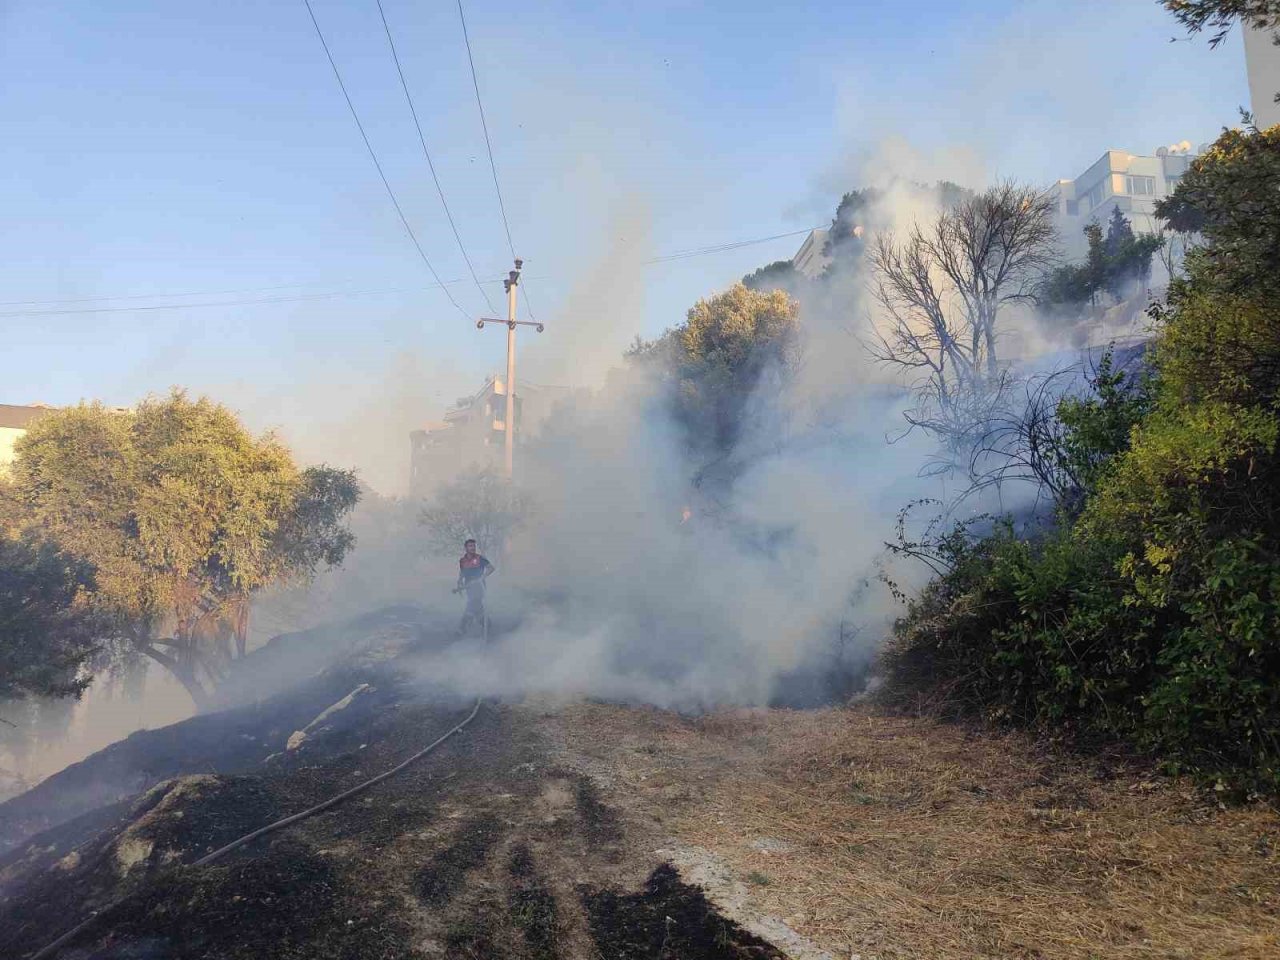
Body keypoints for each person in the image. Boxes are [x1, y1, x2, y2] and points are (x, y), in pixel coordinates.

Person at [455, 539, 495, 636]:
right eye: (470, 546)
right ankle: (488, 625)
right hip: (469, 588)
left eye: (473, 546)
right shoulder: (462, 561)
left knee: (472, 605)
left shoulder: (480, 558)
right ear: (466, 548)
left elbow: (491, 568)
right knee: (477, 608)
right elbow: (462, 573)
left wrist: (481, 578)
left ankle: (462, 628)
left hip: (478, 588)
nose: (473, 548)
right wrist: (459, 584)